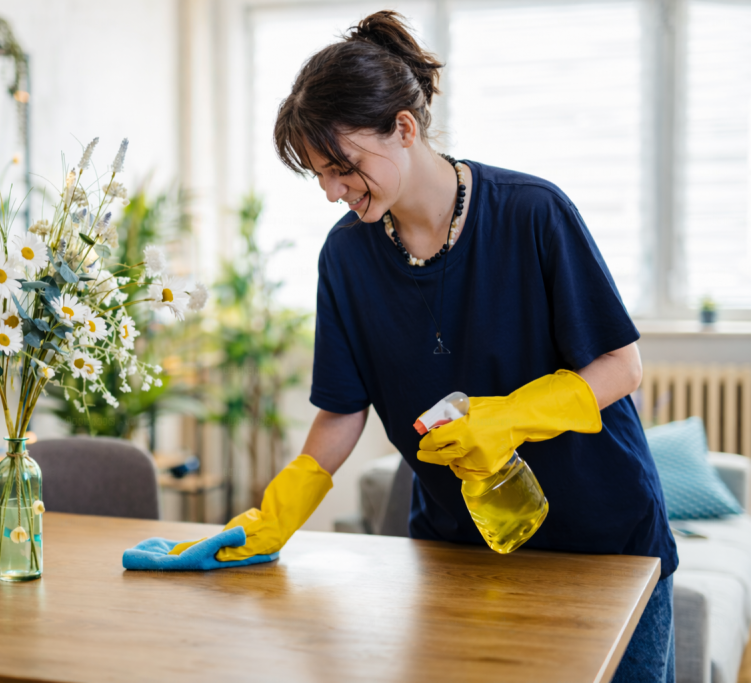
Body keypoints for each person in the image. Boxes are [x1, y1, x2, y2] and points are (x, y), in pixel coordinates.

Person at [170, 11, 677, 682]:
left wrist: (511, 415)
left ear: (404, 129)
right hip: (460, 550)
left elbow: (621, 364)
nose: (330, 190)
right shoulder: (347, 256)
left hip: (604, 545)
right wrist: (280, 508)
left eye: (341, 166)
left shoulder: (532, 212)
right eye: (318, 174)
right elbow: (344, 407)